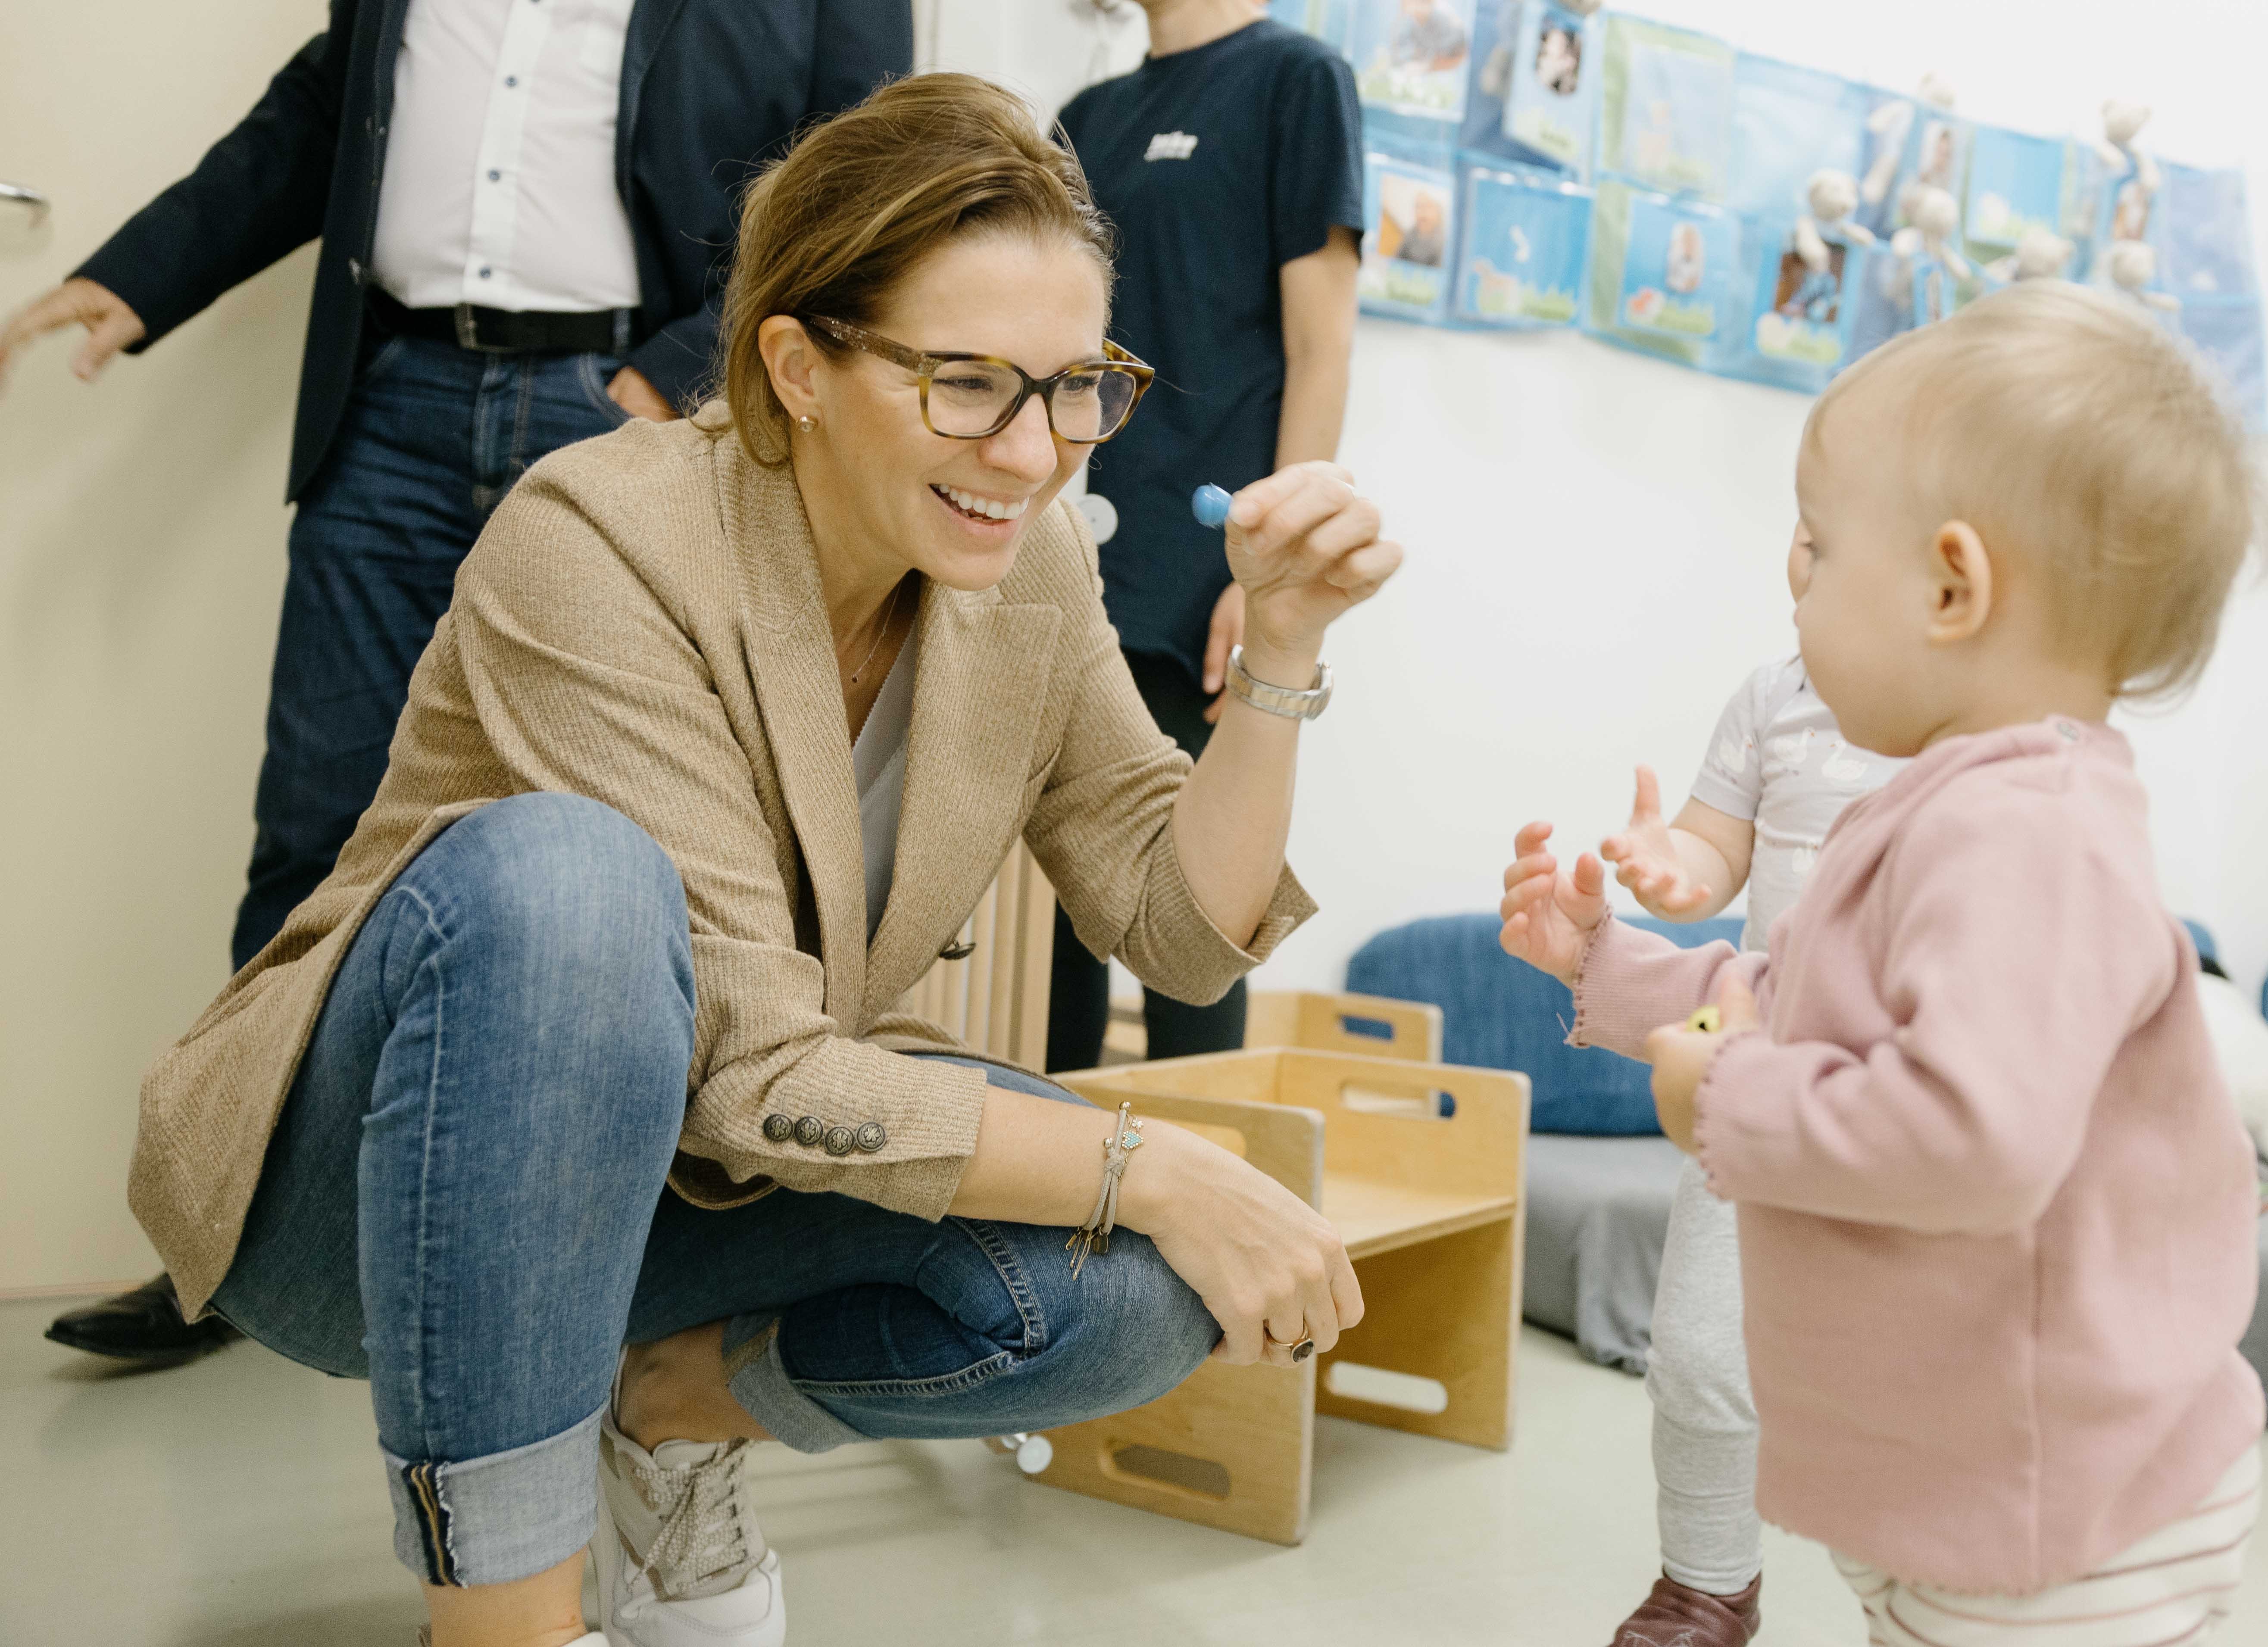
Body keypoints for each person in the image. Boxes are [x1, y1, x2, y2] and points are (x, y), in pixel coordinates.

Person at [128, 73, 1399, 1647]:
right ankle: (503, 1630)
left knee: (1137, 1289)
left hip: (702, 1191)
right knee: (569, 887)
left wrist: (1275, 654)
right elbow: (743, 1058)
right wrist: (1160, 1158)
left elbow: (1179, 930)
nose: (1033, 452)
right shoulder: (601, 530)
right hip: (373, 1207)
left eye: (1078, 387)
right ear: (796, 363)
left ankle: (666, 1412)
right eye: (968, 385)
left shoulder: (1034, 570)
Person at [10, 0, 910, 1369]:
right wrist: (144, 273)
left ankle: (606, 1264)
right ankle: (234, 1251)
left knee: (647, 858)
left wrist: (666, 378)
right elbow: (326, 108)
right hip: (395, 401)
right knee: (315, 830)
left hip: (626, 408)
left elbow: (852, 182)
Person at [1501, 283, 2268, 1646]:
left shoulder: (2027, 836)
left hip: (2052, 1515)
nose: (1790, 581)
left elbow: (1971, 1136)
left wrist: (1723, 1102)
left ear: (1947, 585)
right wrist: (1614, 971)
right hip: (1969, 1486)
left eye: (1815, 546)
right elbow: (1794, 997)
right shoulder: (1947, 805)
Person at [1579, 560, 1905, 1647]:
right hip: (1756, 1080)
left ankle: (1920, 1597)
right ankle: (1706, 1585)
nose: (1804, 559)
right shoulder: (1775, 694)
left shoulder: (1988, 719)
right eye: (1801, 531)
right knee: (1700, 1356)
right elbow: (1714, 844)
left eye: (1838, 532)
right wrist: (1671, 867)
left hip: (1914, 1110)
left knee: (1910, 1385)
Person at [1046, 0, 1362, 1070]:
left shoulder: (1296, 81)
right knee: (1057, 910)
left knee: (1189, 907)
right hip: (1069, 545)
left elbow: (1321, 347)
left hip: (1205, 558)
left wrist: (1269, 560)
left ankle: (1191, 1223)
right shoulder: (1087, 115)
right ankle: (1045, 1221)